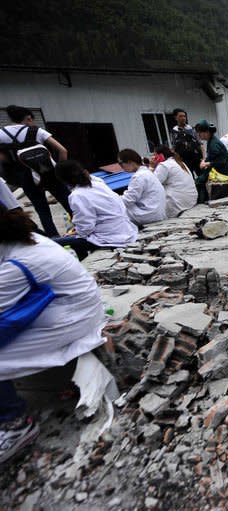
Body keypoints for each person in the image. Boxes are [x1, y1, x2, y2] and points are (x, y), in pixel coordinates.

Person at [0, 205, 107, 463]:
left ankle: (15, 423)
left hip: (73, 316)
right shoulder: (27, 238)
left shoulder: (17, 263)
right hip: (75, 305)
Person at [0, 105, 72, 237]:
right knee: (70, 205)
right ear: (28, 118)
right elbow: (63, 150)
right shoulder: (36, 131)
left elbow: (3, 159)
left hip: (25, 178)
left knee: (43, 211)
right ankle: (83, 234)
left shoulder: (1, 134)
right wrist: (61, 170)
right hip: (50, 173)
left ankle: (56, 241)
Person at [53, 160, 138, 260]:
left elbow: (86, 227)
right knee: (71, 236)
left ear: (63, 180)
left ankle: (82, 263)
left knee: (57, 241)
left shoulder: (77, 195)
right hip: (125, 229)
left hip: (111, 236)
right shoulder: (97, 183)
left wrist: (76, 232)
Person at [117, 149, 167, 226]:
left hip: (150, 215)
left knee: (117, 210)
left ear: (130, 162)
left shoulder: (138, 176)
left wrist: (114, 199)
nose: (121, 167)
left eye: (121, 164)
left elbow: (128, 200)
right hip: (157, 212)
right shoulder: (147, 172)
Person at [152, 145, 197, 218]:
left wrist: (152, 167)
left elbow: (153, 184)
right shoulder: (179, 162)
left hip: (178, 204)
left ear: (161, 155)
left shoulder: (164, 165)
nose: (153, 158)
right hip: (191, 200)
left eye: (155, 155)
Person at [194, 120, 228, 203]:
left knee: (199, 181)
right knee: (200, 179)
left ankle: (202, 201)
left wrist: (206, 163)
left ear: (206, 132)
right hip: (216, 171)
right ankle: (204, 200)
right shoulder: (211, 141)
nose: (199, 135)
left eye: (200, 132)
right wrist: (204, 161)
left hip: (221, 173)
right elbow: (212, 157)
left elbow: (221, 161)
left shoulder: (214, 144)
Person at [170, 108, 203, 179]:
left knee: (202, 177)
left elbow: (200, 143)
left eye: (184, 116)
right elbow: (173, 147)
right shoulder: (174, 131)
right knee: (190, 178)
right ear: (176, 118)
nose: (183, 118)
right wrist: (177, 161)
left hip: (196, 158)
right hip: (185, 160)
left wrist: (203, 158)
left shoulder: (191, 129)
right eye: (180, 116)